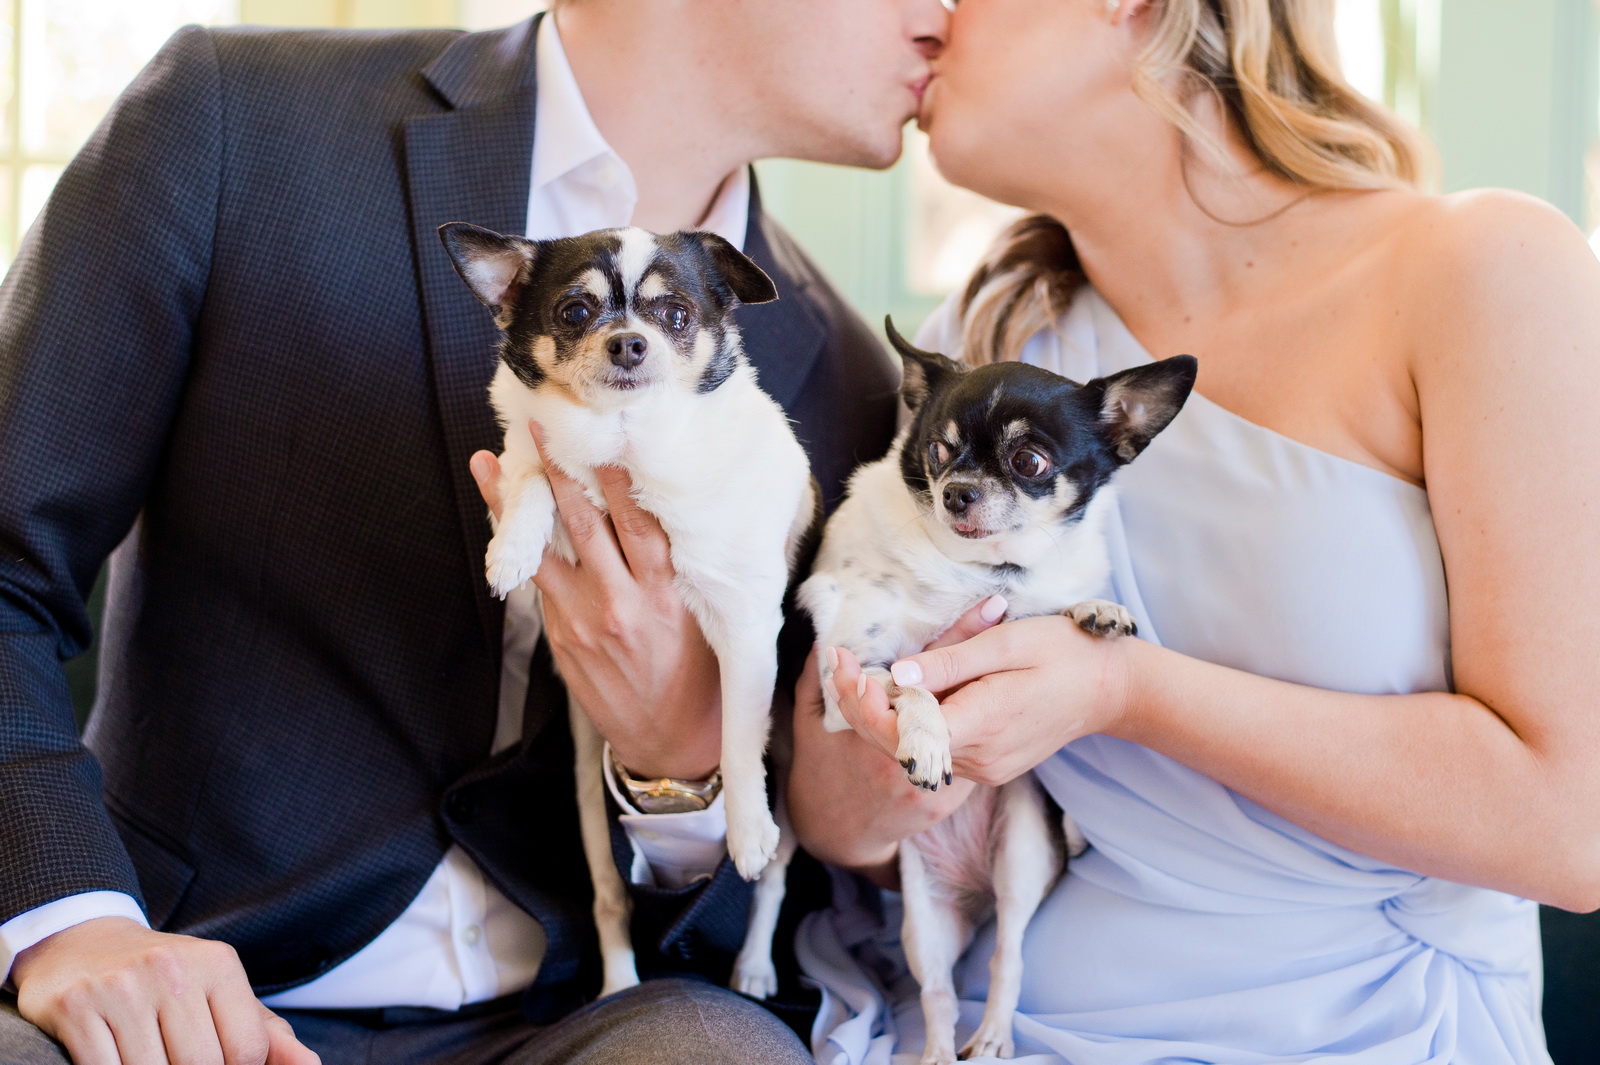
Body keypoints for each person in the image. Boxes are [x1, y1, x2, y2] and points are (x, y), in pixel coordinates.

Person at [0, 1, 949, 1063]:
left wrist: (676, 766)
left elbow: (771, 870)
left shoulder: (843, 380)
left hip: (587, 1016)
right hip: (183, 970)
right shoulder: (234, 120)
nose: (953, 12)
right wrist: (68, 920)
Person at [789, 0, 1600, 1061]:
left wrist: (1126, 692)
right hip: (1009, 1014)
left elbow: (1567, 826)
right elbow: (840, 828)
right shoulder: (984, 350)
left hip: (1369, 1026)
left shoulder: (1481, 273)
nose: (924, 16)